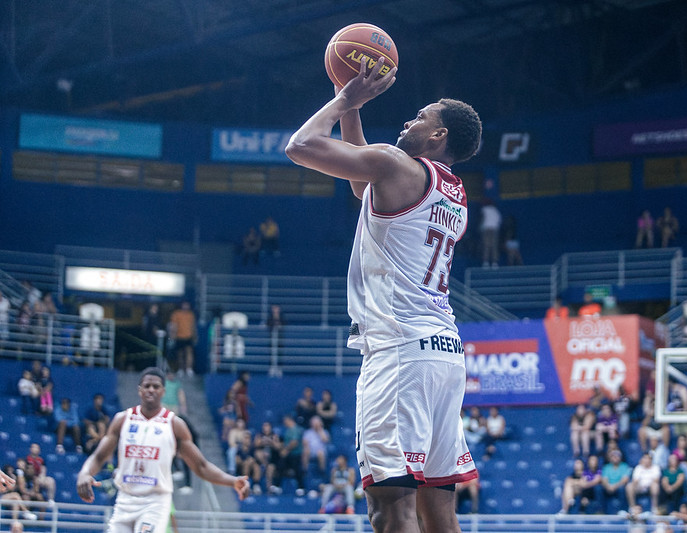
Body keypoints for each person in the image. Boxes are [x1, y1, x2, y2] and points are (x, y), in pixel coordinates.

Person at [285, 56, 481, 532]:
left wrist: (343, 100)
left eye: (421, 117)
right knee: (438, 511)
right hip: (444, 355)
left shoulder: (398, 165)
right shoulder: (452, 192)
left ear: (438, 136)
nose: (409, 120)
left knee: (390, 508)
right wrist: (355, 109)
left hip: (399, 353)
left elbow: (300, 146)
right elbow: (360, 182)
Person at [77, 367, 249, 533]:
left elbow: (201, 466)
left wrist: (232, 481)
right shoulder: (123, 420)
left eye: (156, 386)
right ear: (140, 390)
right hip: (125, 499)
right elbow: (99, 457)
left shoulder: (174, 424)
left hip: (155, 501)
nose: (151, 389)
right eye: (147, 386)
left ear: (163, 391)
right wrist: (84, 473)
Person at [168, 301, 197, 377]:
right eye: (184, 305)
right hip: (179, 336)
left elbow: (193, 326)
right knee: (180, 354)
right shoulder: (176, 314)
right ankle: (180, 369)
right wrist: (172, 337)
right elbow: (173, 326)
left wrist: (194, 336)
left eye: (187, 305)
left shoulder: (191, 315)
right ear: (181, 305)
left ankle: (189, 369)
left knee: (189, 353)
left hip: (188, 337)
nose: (186, 306)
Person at [480, 199, 502, 268]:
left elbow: (482, 218)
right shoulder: (496, 211)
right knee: (493, 246)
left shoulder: (484, 209)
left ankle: (486, 262)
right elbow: (499, 221)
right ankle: (494, 263)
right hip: (494, 229)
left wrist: (480, 226)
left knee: (486, 246)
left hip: (487, 229)